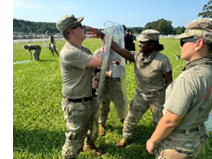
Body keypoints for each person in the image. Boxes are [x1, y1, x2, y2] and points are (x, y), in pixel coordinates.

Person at [144, 18, 212, 158]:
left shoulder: (188, 78)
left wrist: (152, 140)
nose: (180, 47)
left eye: (183, 42)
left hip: (179, 145)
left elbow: (170, 120)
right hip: (198, 136)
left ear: (198, 43)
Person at [108, 29, 173, 148]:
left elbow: (169, 82)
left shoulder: (163, 60)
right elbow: (119, 49)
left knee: (160, 122)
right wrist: (104, 37)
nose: (139, 44)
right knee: (131, 117)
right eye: (139, 41)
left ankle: (161, 141)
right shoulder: (137, 56)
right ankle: (126, 137)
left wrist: (169, 100)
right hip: (141, 95)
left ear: (152, 44)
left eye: (143, 42)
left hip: (157, 96)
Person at [56, 14, 103, 158]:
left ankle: (89, 144)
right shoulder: (69, 52)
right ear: (72, 31)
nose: (84, 28)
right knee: (74, 139)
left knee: (92, 127)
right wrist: (104, 39)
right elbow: (102, 60)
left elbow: (96, 68)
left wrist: (96, 77)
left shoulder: (84, 50)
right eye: (81, 26)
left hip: (89, 98)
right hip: (76, 104)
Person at [91, 48, 127, 136]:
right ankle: (101, 124)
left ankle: (125, 122)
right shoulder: (98, 52)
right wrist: (107, 73)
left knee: (121, 103)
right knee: (104, 105)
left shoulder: (117, 53)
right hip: (103, 84)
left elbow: (121, 69)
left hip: (115, 82)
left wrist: (114, 71)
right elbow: (94, 70)